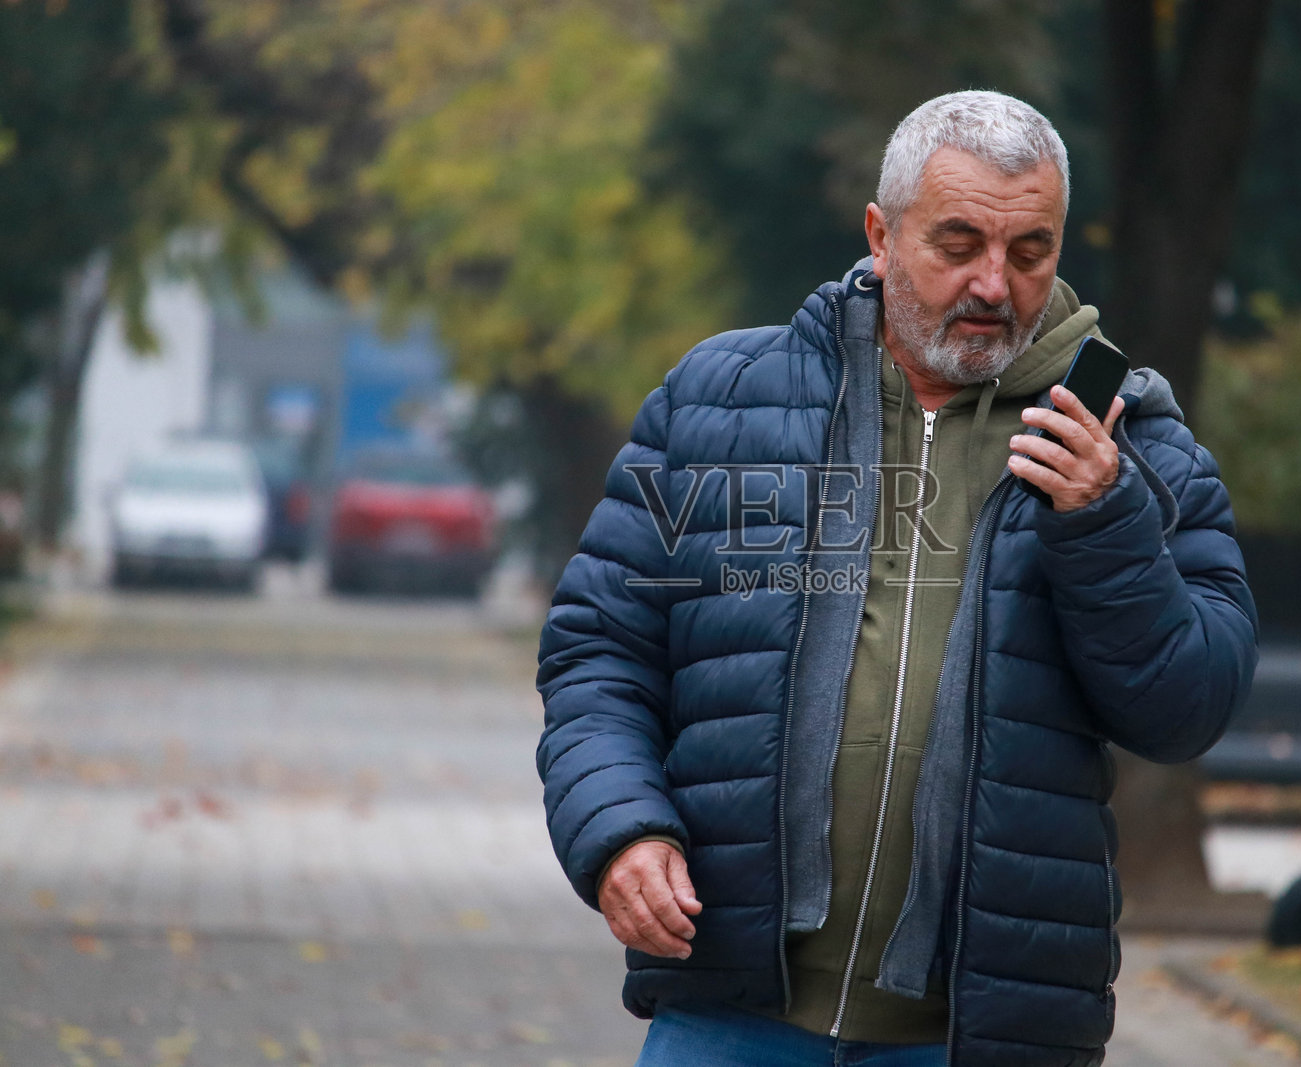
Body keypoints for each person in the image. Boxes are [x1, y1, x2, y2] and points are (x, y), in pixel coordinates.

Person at [537, 90, 1258, 1067]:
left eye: (1029, 251)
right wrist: (619, 828)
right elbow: (600, 649)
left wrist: (1104, 520)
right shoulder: (721, 398)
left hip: (977, 1032)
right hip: (731, 1010)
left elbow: (1190, 704)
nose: (993, 284)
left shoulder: (1133, 443)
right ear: (880, 234)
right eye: (957, 244)